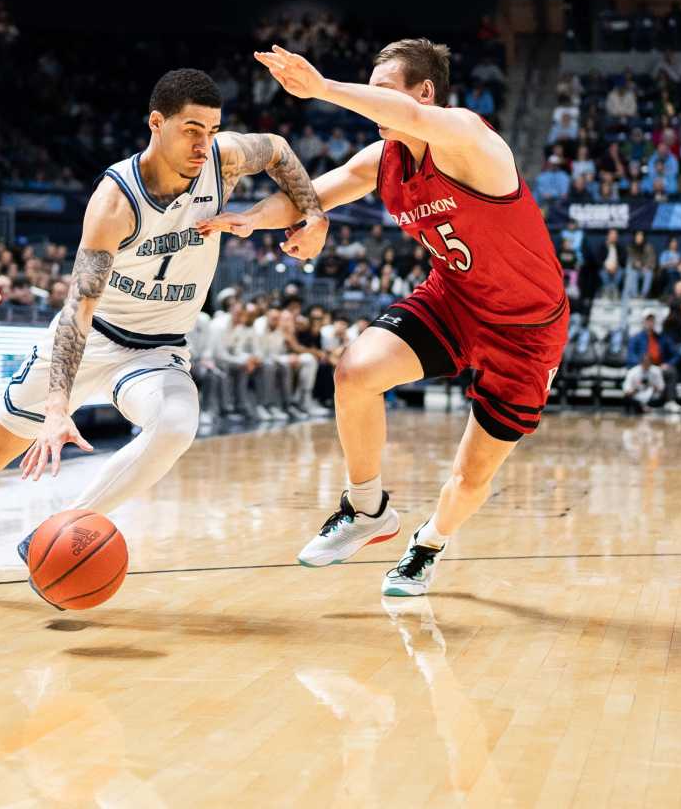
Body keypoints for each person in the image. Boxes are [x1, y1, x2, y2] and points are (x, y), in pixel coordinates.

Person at [0, 68, 326, 596]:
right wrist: (57, 409)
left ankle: (60, 528)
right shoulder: (115, 202)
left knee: (174, 427)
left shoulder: (223, 159)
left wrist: (314, 212)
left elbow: (279, 150)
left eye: (211, 130)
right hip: (93, 335)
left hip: (158, 350)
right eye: (192, 129)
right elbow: (78, 309)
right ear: (156, 123)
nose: (203, 143)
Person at [201, 39, 568, 598]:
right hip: (454, 301)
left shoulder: (469, 137)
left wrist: (323, 88)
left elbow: (413, 118)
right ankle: (367, 508)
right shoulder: (384, 161)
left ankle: (428, 545)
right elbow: (310, 196)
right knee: (354, 372)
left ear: (424, 94)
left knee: (472, 477)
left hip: (527, 330)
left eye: (383, 93)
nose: (374, 106)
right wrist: (246, 219)